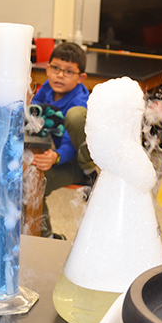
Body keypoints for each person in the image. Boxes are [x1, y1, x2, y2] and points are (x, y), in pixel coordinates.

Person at [31, 42, 97, 238]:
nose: (60, 75)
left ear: (81, 78)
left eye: (68, 72)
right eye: (56, 68)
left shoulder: (80, 100)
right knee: (29, 185)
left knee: (76, 116)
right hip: (55, 154)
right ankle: (48, 237)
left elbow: (70, 142)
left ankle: (90, 172)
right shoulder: (46, 88)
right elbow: (34, 109)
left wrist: (55, 157)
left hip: (74, 160)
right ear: (48, 68)